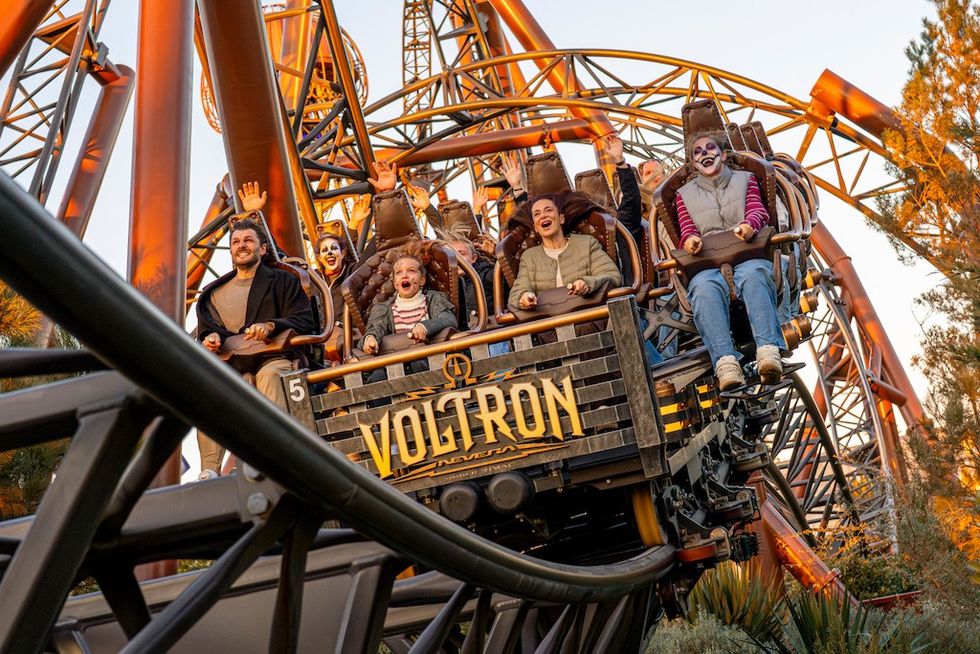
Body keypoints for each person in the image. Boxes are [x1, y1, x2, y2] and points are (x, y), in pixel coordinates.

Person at [195, 192, 315, 480]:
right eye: (235, 242)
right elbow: (207, 328)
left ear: (262, 249)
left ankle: (274, 456)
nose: (241, 246)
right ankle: (209, 470)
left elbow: (305, 319)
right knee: (213, 388)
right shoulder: (214, 293)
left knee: (268, 378)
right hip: (236, 363)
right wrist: (210, 337)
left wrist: (272, 326)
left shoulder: (284, 279)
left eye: (248, 241)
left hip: (275, 357)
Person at [675, 135, 784, 390]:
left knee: (754, 275)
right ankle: (725, 363)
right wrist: (690, 240)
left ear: (723, 155)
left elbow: (758, 210)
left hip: (745, 250)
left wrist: (749, 226)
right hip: (708, 260)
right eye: (698, 153)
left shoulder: (745, 179)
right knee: (703, 290)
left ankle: (768, 352)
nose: (705, 155)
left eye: (710, 149)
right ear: (693, 164)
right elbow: (686, 228)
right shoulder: (684, 195)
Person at [508, 195, 622, 311]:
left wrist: (587, 283)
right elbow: (517, 291)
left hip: (588, 316)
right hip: (547, 324)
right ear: (535, 227)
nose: (543, 216)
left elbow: (612, 275)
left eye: (548, 210)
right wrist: (524, 297)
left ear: (561, 218)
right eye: (537, 214)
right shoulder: (529, 257)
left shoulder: (586, 243)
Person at [360, 251, 457, 356]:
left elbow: (449, 319)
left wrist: (424, 327)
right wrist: (370, 339)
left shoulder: (434, 299)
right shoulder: (383, 309)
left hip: (430, 358)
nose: (404, 276)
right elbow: (374, 330)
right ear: (395, 283)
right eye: (399, 272)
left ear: (422, 280)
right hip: (397, 362)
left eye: (411, 271)